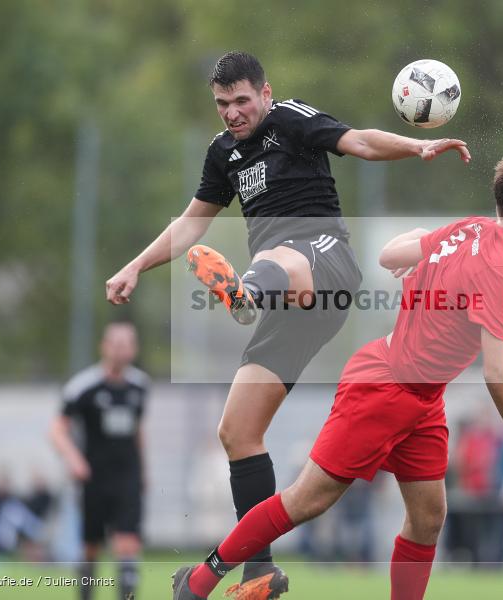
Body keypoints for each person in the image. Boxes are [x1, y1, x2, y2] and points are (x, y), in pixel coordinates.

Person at [104, 51, 470, 598]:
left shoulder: (289, 120)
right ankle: (260, 573)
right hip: (288, 303)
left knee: (278, 255)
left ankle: (245, 293)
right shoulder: (222, 154)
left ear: (265, 92)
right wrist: (135, 265)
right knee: (238, 432)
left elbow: (361, 141)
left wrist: (415, 145)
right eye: (223, 104)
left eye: (241, 101)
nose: (232, 113)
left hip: (324, 265)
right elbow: (190, 224)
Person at [171, 151, 503, 600]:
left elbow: (389, 255)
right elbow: (496, 374)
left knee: (428, 517)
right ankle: (199, 582)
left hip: (421, 396)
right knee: (308, 500)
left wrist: (421, 243)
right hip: (386, 388)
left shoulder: (471, 228)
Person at [50, 321, 148, 600]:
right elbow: (57, 430)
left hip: (127, 477)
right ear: (104, 347)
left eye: (127, 344)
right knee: (90, 548)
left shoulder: (139, 386)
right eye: (116, 344)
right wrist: (74, 460)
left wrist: (144, 471)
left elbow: (138, 430)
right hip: (94, 478)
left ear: (134, 348)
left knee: (128, 546)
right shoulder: (84, 387)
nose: (121, 350)